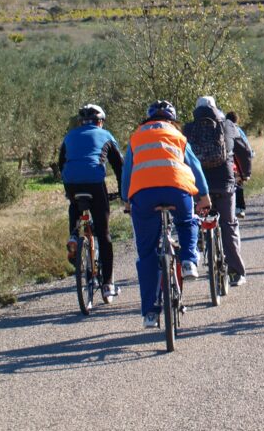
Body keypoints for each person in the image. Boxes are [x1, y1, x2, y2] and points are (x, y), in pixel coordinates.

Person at [121, 101, 212, 329]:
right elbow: (195, 165)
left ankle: (150, 314)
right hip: (177, 190)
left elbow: (127, 171)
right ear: (171, 119)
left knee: (147, 254)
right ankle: (190, 260)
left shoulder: (136, 137)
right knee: (186, 220)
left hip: (143, 196)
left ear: (148, 119)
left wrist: (126, 199)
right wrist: (204, 195)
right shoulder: (177, 135)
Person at [184, 97, 251, 286]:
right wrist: (245, 173)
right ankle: (236, 272)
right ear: (215, 108)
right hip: (225, 182)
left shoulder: (188, 129)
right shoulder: (227, 125)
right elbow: (243, 151)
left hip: (198, 185)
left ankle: (197, 251)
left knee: (195, 220)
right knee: (228, 224)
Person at [60, 104, 124, 300]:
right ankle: (107, 285)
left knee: (74, 204)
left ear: (81, 122)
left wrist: (68, 186)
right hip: (95, 183)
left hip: (71, 182)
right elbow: (120, 165)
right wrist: (123, 192)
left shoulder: (69, 136)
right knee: (103, 234)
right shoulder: (105, 135)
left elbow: (61, 162)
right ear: (100, 122)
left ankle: (73, 235)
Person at [225, 111, 253, 219]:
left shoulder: (218, 128)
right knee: (239, 180)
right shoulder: (238, 130)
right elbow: (246, 147)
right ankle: (240, 208)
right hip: (233, 163)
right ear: (237, 120)